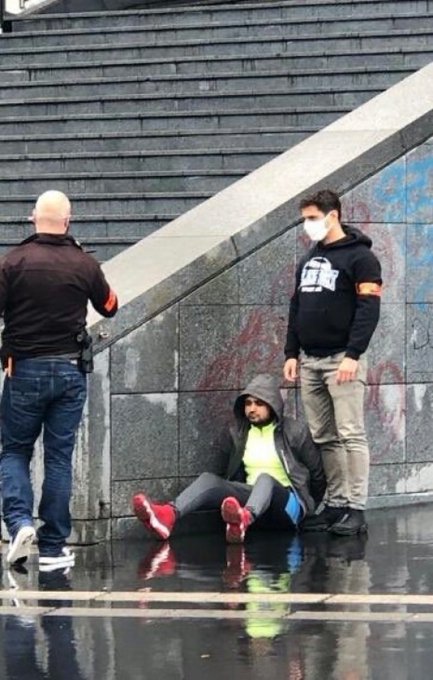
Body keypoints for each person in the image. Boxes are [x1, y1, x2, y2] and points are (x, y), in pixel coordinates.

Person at [0, 190, 118, 569]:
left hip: (24, 370)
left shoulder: (13, 261)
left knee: (15, 450)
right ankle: (52, 547)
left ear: (33, 218)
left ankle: (19, 523)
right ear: (68, 221)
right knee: (58, 457)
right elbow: (110, 306)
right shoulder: (84, 263)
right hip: (69, 371)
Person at [283, 189, 382, 536]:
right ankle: (336, 504)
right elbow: (296, 307)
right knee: (324, 437)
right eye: (305, 219)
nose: (307, 225)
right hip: (310, 360)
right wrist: (291, 353)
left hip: (342, 359)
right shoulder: (309, 259)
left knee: (351, 434)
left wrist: (353, 354)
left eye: (312, 218)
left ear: (333, 215)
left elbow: (369, 310)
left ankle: (356, 509)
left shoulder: (362, 258)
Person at [133, 373, 326, 543]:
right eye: (248, 403)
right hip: (253, 501)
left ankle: (244, 519)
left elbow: (318, 474)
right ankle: (167, 515)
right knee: (209, 479)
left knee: (265, 479)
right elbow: (225, 472)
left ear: (273, 405)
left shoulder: (295, 432)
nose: (252, 409)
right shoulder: (238, 434)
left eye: (259, 404)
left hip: (288, 506)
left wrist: (308, 509)